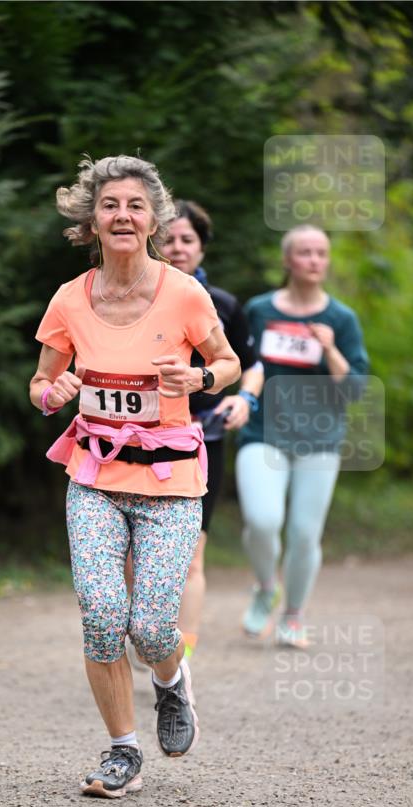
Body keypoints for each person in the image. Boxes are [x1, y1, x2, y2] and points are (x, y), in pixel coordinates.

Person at [30, 155, 241, 798]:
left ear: (154, 220)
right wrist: (53, 391)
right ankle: (123, 750)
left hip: (171, 483)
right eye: (110, 205)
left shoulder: (184, 293)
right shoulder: (71, 299)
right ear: (92, 220)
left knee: (151, 626)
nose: (123, 215)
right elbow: (41, 384)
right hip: (93, 476)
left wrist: (200, 378)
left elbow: (228, 362)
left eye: (136, 206)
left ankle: (171, 684)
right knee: (100, 614)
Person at [236, 224, 369, 647]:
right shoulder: (257, 310)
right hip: (263, 433)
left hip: (320, 439)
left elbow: (355, 389)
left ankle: (293, 615)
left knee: (304, 533)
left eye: (321, 253)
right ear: (287, 260)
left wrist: (329, 348)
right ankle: (263, 587)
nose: (314, 260)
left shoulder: (341, 318)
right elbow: (242, 364)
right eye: (305, 252)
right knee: (262, 521)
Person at [160, 200, 263, 661]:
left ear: (201, 247)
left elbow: (250, 365)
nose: (178, 248)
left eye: (188, 240)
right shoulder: (132, 300)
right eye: (170, 239)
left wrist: (244, 398)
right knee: (133, 560)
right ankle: (147, 638)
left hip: (204, 440)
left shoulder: (223, 305)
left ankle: (181, 660)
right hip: (138, 440)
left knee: (192, 556)